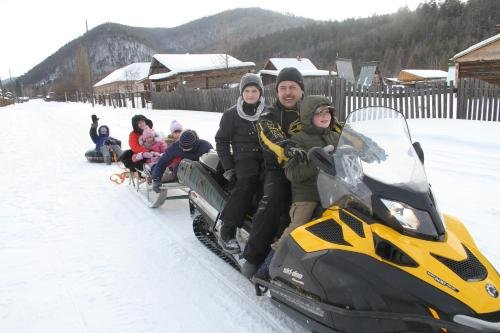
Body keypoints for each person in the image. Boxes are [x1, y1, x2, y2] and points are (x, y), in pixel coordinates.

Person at [241, 67, 344, 278]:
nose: (288, 92)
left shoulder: (314, 109)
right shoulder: (269, 115)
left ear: (302, 90)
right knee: (273, 200)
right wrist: (289, 148)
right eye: (283, 88)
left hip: (319, 170)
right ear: (277, 91)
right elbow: (272, 136)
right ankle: (254, 256)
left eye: (293, 88)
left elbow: (339, 130)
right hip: (278, 168)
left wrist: (367, 145)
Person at [276, 95, 340, 250]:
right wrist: (318, 163)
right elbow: (292, 173)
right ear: (308, 116)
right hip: (308, 195)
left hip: (335, 193)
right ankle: (272, 260)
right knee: (298, 227)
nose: (325, 116)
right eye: (319, 113)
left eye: (327, 112)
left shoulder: (336, 136)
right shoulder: (299, 139)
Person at [215, 73, 266, 253]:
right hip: (243, 158)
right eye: (247, 90)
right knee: (247, 182)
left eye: (254, 90)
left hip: (266, 158)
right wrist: (228, 167)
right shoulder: (231, 114)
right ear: (241, 93)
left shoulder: (267, 112)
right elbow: (221, 141)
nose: (251, 94)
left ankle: (261, 229)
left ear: (260, 92)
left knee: (272, 186)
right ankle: (227, 229)